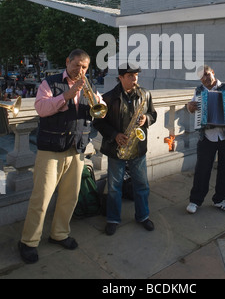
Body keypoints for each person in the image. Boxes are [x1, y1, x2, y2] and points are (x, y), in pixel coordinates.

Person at [19, 49, 106, 264]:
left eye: (84, 67)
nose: (80, 70)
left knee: (70, 196)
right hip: (51, 149)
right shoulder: (50, 83)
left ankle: (59, 233)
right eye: (77, 65)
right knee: (42, 197)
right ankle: (29, 242)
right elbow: (41, 108)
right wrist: (67, 94)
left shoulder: (89, 85)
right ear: (67, 62)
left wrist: (99, 104)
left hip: (76, 148)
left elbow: (100, 106)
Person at [93, 63, 157, 236]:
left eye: (135, 75)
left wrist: (147, 119)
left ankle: (143, 216)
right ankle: (113, 219)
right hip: (117, 148)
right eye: (130, 76)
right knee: (114, 187)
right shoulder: (108, 98)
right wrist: (114, 135)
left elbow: (154, 114)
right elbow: (98, 122)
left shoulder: (145, 94)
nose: (134, 78)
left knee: (142, 184)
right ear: (120, 78)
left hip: (138, 149)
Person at [186, 65, 225, 215]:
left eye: (207, 75)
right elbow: (192, 107)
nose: (205, 79)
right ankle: (195, 200)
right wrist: (190, 107)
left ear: (213, 73)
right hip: (207, 137)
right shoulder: (199, 91)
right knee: (202, 170)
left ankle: (220, 200)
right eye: (202, 77)